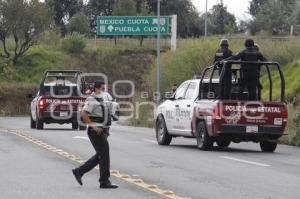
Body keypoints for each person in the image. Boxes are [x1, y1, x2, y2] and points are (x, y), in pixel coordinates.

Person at [72, 80, 118, 189]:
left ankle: (79, 171)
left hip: (102, 130)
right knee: (104, 155)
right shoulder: (91, 99)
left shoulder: (102, 99)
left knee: (100, 155)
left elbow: (106, 115)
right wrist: (94, 126)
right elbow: (84, 114)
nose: (104, 91)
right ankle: (104, 181)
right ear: (96, 89)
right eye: (102, 89)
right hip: (95, 131)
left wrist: (106, 130)